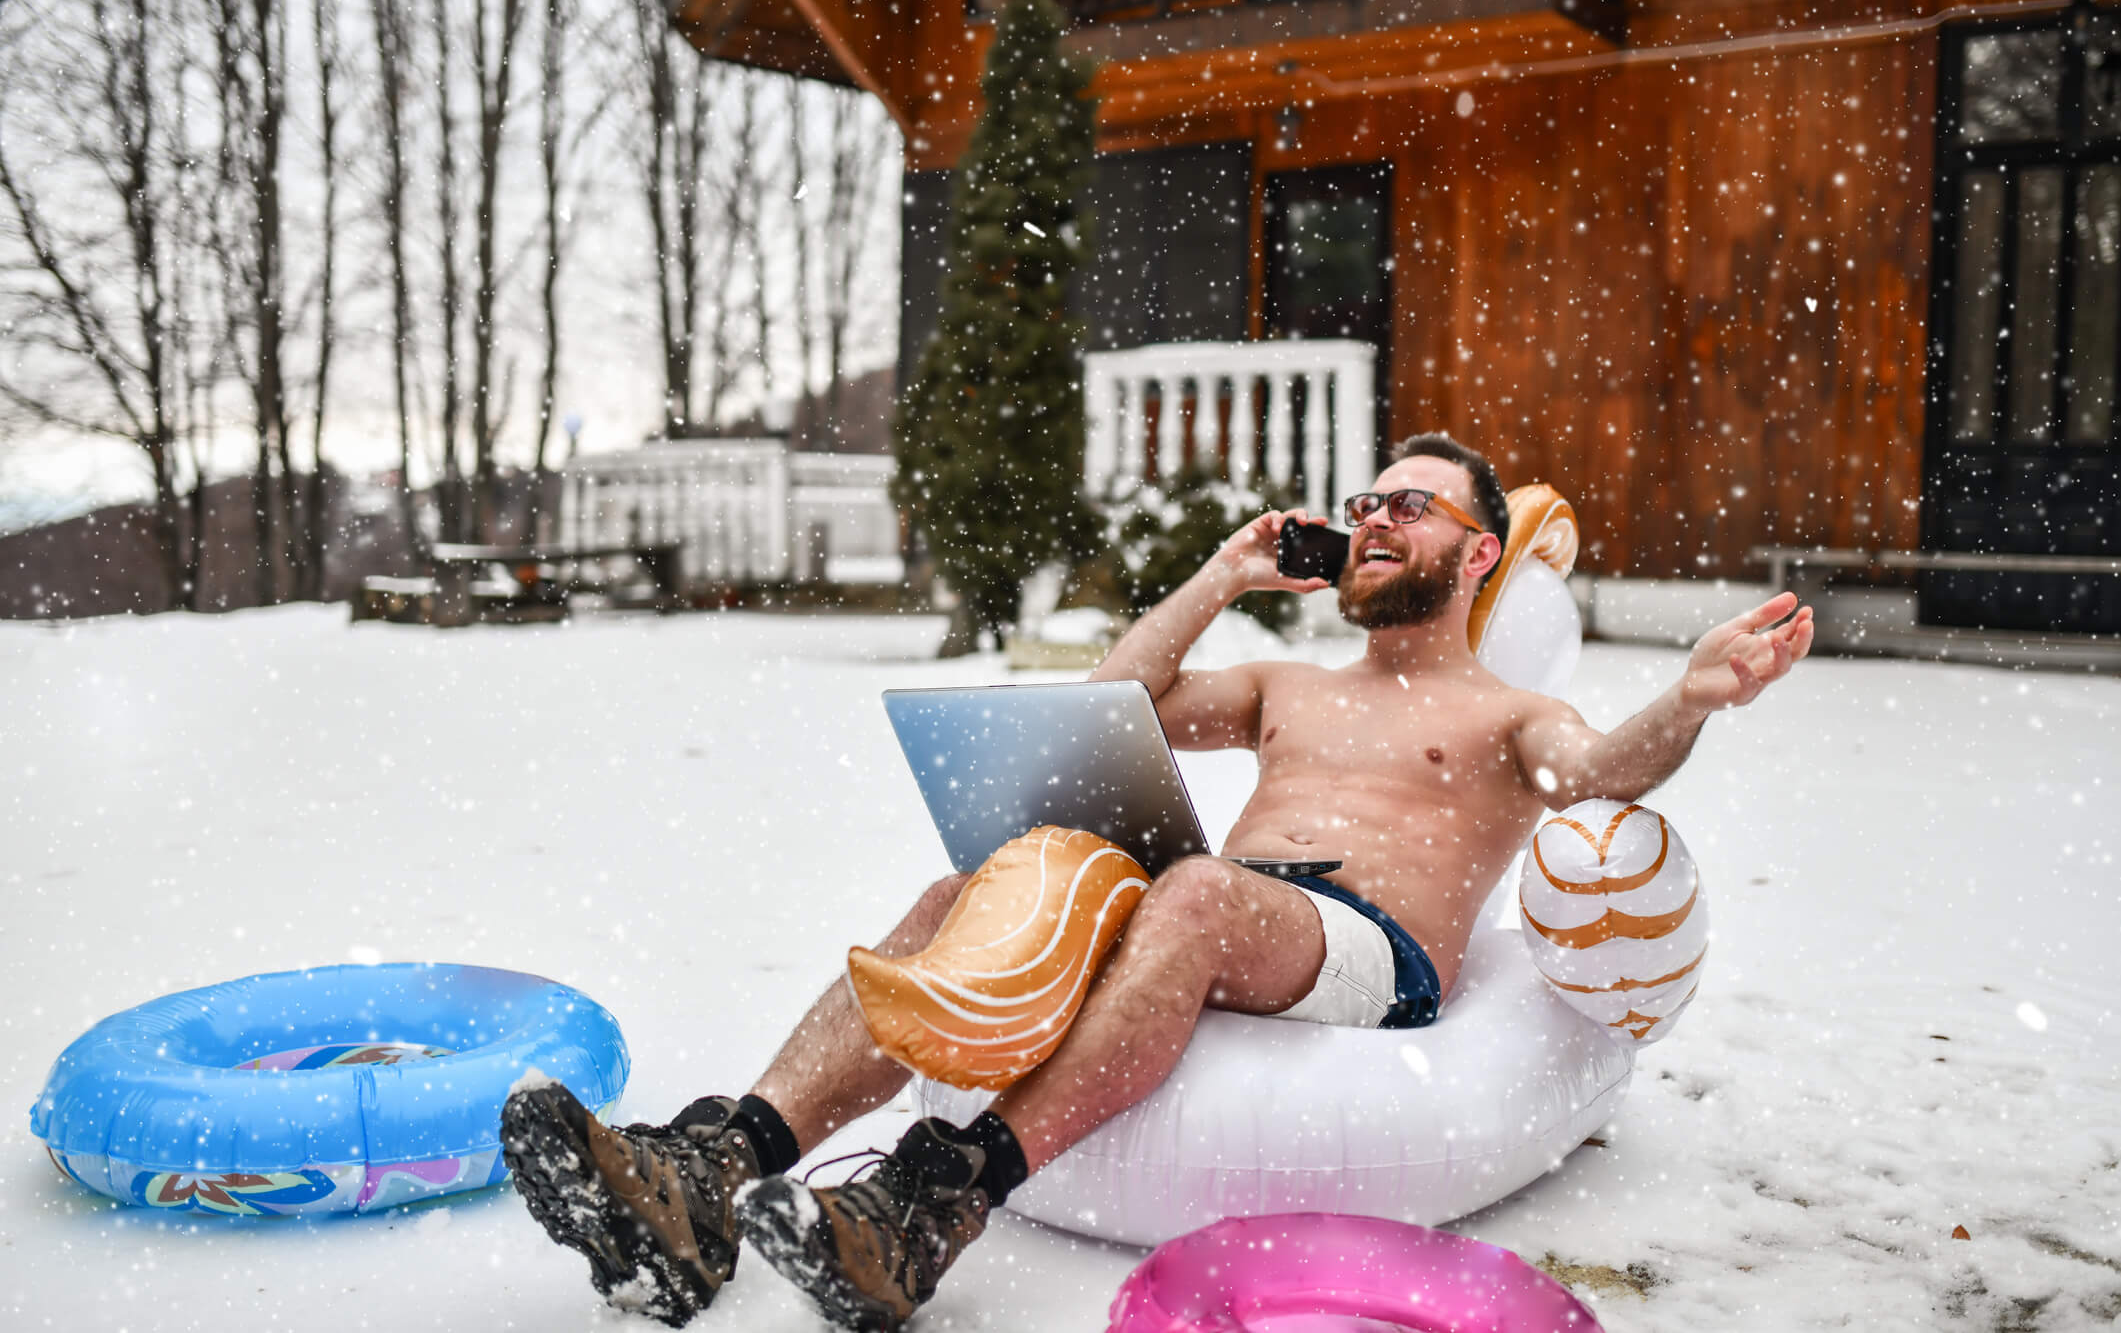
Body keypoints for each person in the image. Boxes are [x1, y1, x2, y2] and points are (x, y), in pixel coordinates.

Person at [500, 431, 1815, 1330]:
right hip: (1219, 912)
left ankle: (929, 1203)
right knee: (962, 890)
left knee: (1185, 891)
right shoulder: (1286, 684)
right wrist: (1227, 572)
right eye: (1362, 503)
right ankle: (709, 1168)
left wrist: (1689, 697)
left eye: (1406, 504)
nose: (1371, 519)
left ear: (1476, 554)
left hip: (1362, 956)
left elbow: (1599, 770)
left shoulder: (1507, 711)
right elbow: (1113, 699)